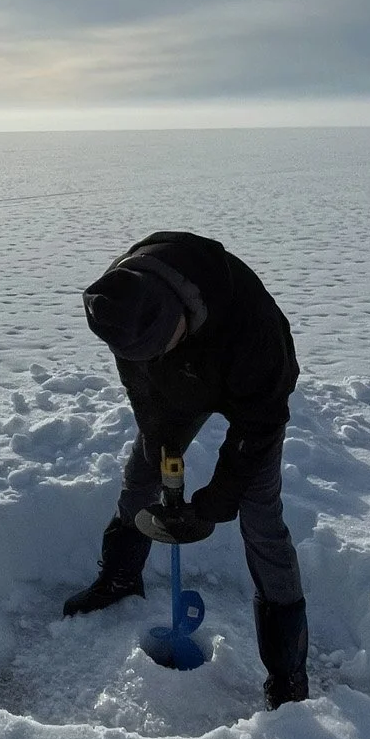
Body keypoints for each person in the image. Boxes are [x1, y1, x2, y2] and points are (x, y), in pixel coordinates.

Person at [65, 231, 310, 709]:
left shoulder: (251, 329)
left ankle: (287, 672)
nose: (150, 358)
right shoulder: (121, 301)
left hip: (250, 396)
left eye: (161, 346)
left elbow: (258, 425)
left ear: (179, 316)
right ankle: (119, 577)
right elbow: (141, 386)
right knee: (141, 478)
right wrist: (161, 444)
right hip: (177, 393)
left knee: (260, 518)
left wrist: (216, 502)